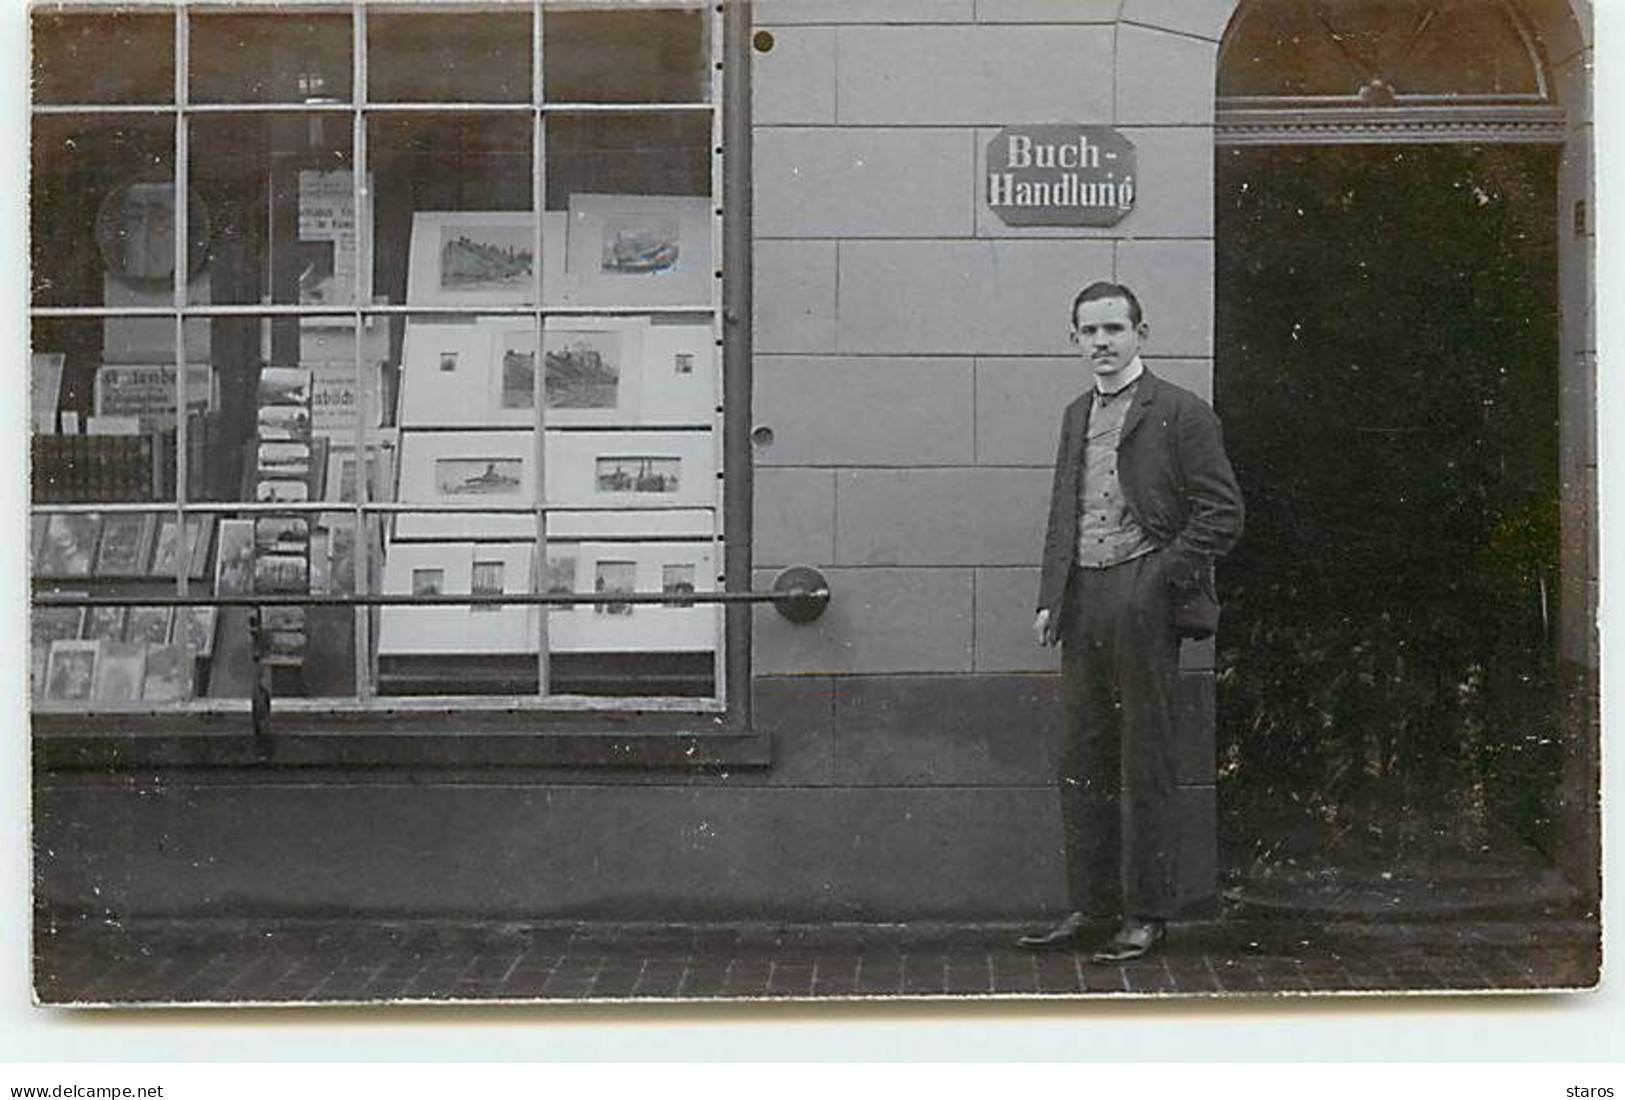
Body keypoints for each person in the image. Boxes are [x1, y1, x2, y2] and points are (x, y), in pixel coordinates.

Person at [1020, 281, 1244, 961]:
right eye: (1088, 331)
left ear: (1140, 334)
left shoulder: (1180, 412)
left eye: (1113, 329)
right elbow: (1066, 508)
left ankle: (1146, 914)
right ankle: (1091, 908)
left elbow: (1222, 513)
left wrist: (1156, 580)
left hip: (1141, 598)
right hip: (1082, 599)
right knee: (1079, 759)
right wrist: (1051, 598)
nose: (1101, 343)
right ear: (1073, 339)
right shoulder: (1073, 413)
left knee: (1144, 759)